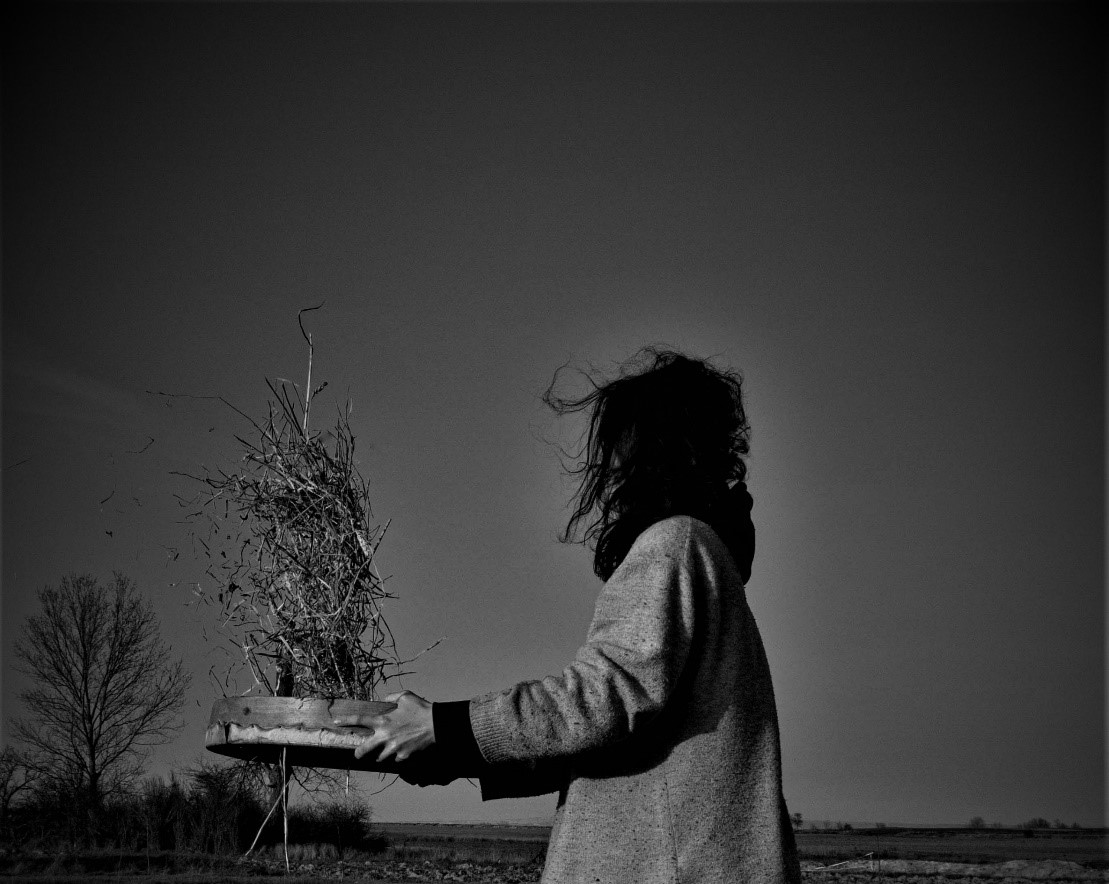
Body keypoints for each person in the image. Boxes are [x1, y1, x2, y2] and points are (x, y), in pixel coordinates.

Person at [334, 348, 801, 884]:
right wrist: (454, 754)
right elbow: (611, 739)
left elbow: (604, 698)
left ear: (656, 452)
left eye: (621, 448)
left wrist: (445, 725)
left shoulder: (674, 545)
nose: (612, 471)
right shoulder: (707, 559)